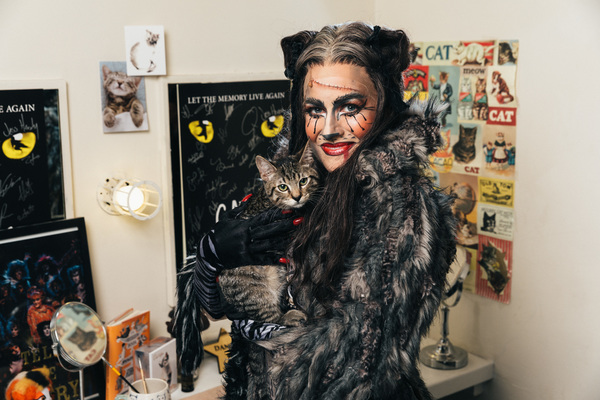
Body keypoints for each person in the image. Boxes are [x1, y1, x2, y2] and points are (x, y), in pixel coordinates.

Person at [176, 22, 456, 400]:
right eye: (314, 109)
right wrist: (210, 259)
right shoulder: (301, 181)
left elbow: (356, 367)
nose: (328, 129)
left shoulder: (403, 207)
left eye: (350, 107)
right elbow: (222, 308)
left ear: (385, 104)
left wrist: (257, 331)